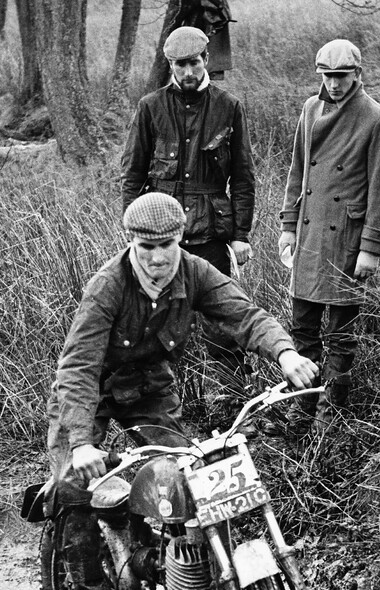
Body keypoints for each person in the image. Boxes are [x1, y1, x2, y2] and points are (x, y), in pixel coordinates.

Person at [46, 192, 319, 590]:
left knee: (182, 477)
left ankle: (178, 574)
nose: (157, 257)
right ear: (130, 243)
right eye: (145, 247)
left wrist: (285, 352)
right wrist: (80, 442)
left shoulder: (194, 271)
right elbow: (78, 368)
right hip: (91, 393)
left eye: (166, 245)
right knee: (74, 485)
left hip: (149, 389)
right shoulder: (107, 286)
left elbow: (245, 315)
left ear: (181, 240)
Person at [121, 26, 255, 428]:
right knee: (151, 323)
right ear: (171, 65)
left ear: (206, 60)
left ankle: (235, 410)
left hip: (211, 234)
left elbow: (244, 177)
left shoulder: (228, 106)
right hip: (161, 238)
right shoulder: (150, 107)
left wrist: (241, 235)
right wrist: (137, 234)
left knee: (222, 323)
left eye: (195, 62)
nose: (189, 71)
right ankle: (152, 414)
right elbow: (132, 175)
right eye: (181, 64)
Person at [277, 39, 380, 435]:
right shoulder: (309, 110)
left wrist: (370, 249)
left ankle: (332, 419)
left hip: (346, 240)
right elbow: (298, 172)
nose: (334, 84)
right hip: (310, 236)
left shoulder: (377, 119)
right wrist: (288, 226)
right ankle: (301, 415)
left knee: (341, 338)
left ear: (358, 74)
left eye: (342, 76)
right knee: (303, 332)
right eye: (327, 76)